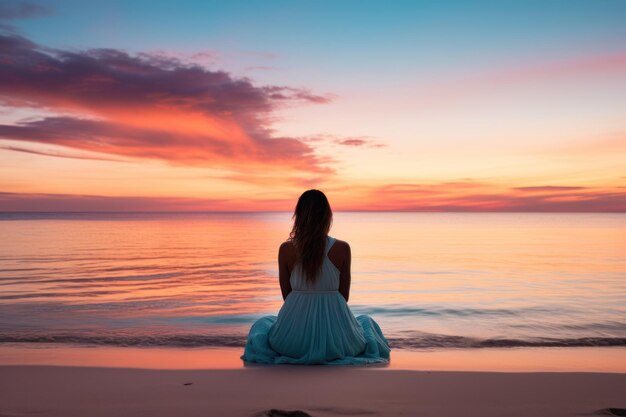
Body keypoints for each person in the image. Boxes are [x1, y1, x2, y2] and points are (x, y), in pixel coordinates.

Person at [241, 189, 390, 365]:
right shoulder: (342, 249)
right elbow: (344, 296)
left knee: (263, 325)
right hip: (338, 343)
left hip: (292, 344)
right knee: (366, 323)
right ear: (327, 217)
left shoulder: (286, 250)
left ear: (299, 217)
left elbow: (286, 296)